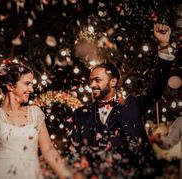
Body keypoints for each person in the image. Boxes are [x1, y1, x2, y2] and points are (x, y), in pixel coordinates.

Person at [69, 23, 175, 177]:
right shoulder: (80, 114)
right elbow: (74, 154)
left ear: (113, 82)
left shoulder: (132, 105)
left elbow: (157, 86)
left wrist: (164, 46)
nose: (92, 84)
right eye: (91, 80)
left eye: (97, 80)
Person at [0, 44, 71, 179]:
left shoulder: (35, 113)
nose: (32, 89)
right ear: (10, 86)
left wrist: (67, 176)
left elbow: (49, 150)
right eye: (27, 83)